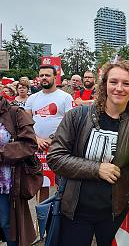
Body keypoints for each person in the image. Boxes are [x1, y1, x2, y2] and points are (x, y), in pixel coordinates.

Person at [47, 60, 129, 246]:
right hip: (75, 211)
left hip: (115, 214)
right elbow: (55, 157)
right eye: (113, 82)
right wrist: (96, 169)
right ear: (104, 85)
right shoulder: (77, 116)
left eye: (126, 83)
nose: (119, 88)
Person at [25, 65, 73, 201]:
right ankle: (41, 220)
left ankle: (58, 219)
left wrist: (54, 140)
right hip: (37, 147)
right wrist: (36, 139)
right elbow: (26, 124)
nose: (44, 78)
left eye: (47, 75)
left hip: (58, 147)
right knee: (41, 184)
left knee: (61, 184)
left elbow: (70, 124)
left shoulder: (65, 97)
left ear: (55, 77)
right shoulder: (32, 98)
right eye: (42, 75)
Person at [0, 95, 38, 246]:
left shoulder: (15, 113)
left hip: (5, 184)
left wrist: (2, 153)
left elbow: (29, 144)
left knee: (7, 224)